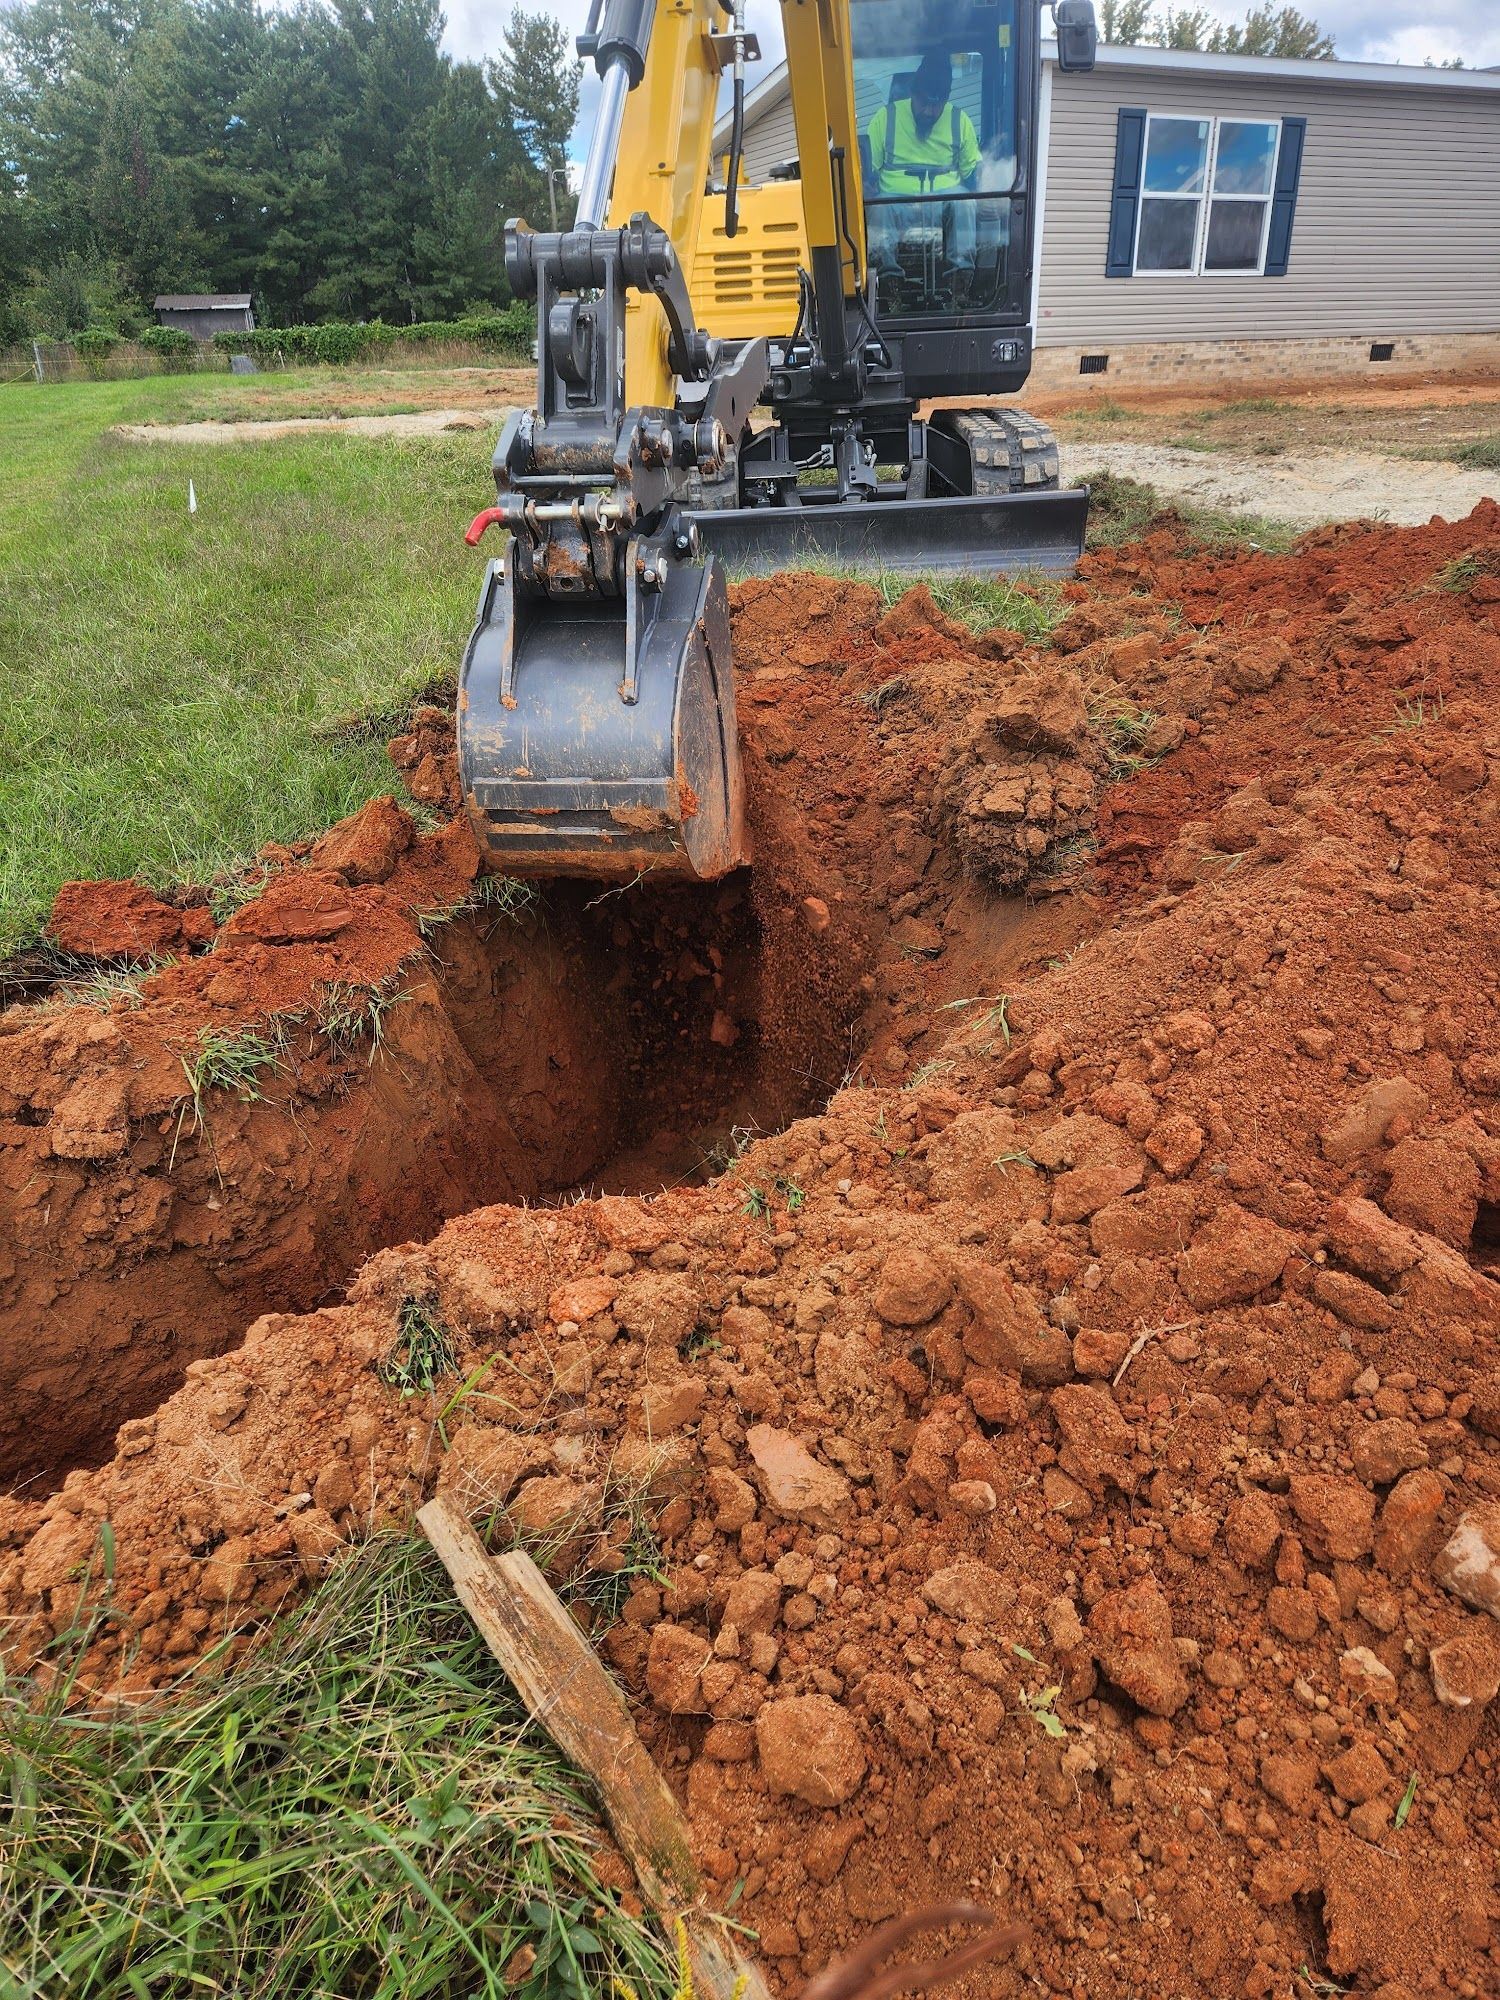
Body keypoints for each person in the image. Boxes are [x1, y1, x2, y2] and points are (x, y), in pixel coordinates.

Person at [866, 50, 980, 304]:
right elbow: (866, 174)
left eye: (936, 104)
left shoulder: (959, 121)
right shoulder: (886, 118)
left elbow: (973, 174)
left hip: (944, 200)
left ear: (946, 100)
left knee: (966, 203)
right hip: (895, 201)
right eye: (924, 103)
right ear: (913, 94)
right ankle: (888, 284)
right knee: (878, 208)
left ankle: (959, 283)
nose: (929, 111)